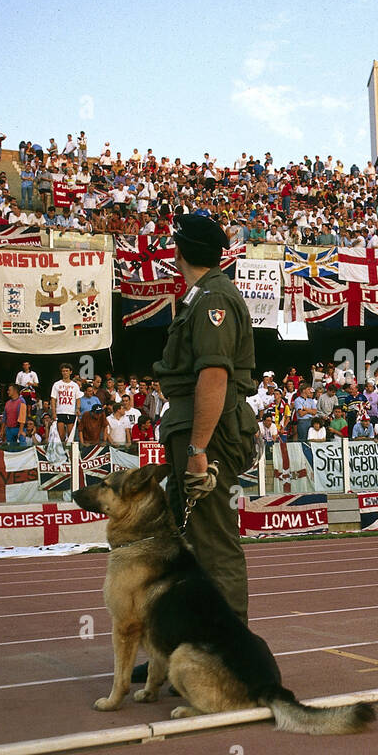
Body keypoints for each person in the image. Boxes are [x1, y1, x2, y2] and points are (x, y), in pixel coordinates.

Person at [151, 213, 257, 623]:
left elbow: (214, 376)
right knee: (187, 543)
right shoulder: (201, 296)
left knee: (212, 541)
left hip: (207, 437)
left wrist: (197, 449)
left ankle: (228, 656)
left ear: (181, 251)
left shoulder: (213, 298)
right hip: (192, 431)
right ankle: (181, 650)